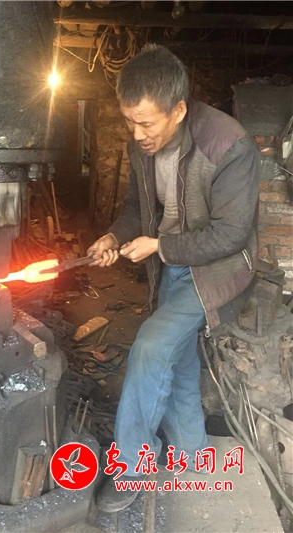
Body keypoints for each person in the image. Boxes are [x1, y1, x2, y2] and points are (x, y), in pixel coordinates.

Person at [88, 45, 259, 513]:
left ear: (179, 109)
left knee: (150, 346)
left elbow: (231, 233)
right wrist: (114, 235)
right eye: (129, 122)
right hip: (173, 264)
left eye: (146, 123)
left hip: (218, 270)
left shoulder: (228, 145)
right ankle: (191, 449)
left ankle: (131, 468)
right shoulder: (140, 147)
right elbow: (138, 209)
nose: (137, 134)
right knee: (176, 354)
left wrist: (159, 246)